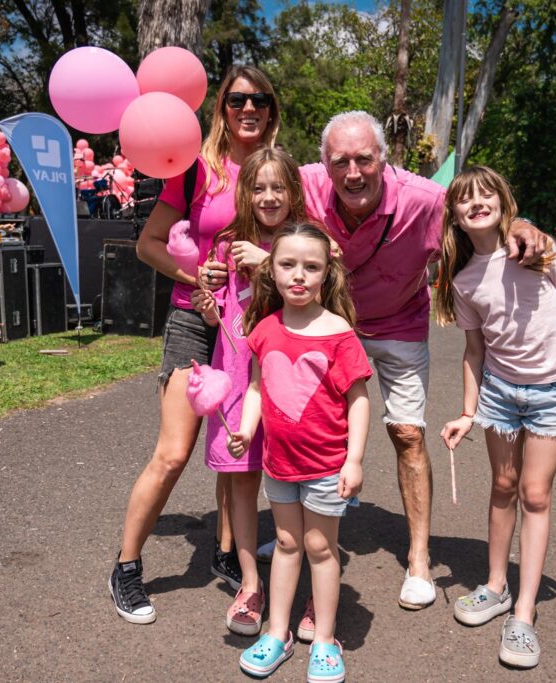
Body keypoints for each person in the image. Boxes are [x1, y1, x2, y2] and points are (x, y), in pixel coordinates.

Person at [296, 111, 547, 608]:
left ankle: (417, 557)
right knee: (309, 427)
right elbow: (251, 191)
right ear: (323, 163)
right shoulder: (303, 184)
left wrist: (522, 223)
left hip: (398, 325)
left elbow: (483, 212)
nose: (353, 173)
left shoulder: (426, 199)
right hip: (329, 323)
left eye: (364, 159)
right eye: (340, 161)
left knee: (407, 432)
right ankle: (299, 531)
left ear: (383, 158)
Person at [109, 65, 281, 624]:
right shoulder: (196, 170)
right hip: (194, 321)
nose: (248, 108)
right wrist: (192, 276)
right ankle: (127, 566)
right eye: (237, 100)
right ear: (222, 109)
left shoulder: (279, 172)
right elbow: (148, 245)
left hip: (248, 323)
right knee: (175, 451)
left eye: (258, 99)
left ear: (271, 110)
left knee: (237, 452)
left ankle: (226, 553)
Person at [436, 166, 556, 669]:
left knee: (535, 495)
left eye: (486, 194)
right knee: (502, 485)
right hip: (499, 392)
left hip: (552, 391)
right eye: (464, 198)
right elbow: (474, 350)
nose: (476, 203)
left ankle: (523, 612)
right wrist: (467, 412)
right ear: (453, 214)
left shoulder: (536, 249)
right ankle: (496, 586)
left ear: (503, 200)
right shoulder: (464, 279)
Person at [229, 223, 370, 682]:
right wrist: (247, 431)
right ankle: (277, 633)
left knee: (319, 546)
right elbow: (256, 386)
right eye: (288, 264)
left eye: (311, 267)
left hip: (328, 466)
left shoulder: (338, 333)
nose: (299, 276)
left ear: (327, 273)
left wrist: (354, 459)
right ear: (271, 269)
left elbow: (360, 400)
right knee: (287, 543)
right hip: (279, 465)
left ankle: (326, 639)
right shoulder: (266, 328)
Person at [191, 148, 307, 636]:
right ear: (245, 193)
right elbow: (216, 310)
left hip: (291, 381)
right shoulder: (225, 243)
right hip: (238, 377)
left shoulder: (305, 240)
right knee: (242, 479)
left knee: (299, 481)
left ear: (293, 192)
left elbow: (317, 296)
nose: (268, 196)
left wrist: (268, 262)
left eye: (278, 186)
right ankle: (252, 584)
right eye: (258, 187)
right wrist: (204, 297)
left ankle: (308, 587)